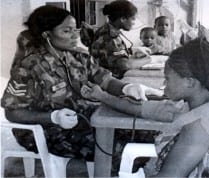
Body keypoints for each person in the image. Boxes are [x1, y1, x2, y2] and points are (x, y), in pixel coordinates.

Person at [1, 5, 163, 163]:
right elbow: (12, 112)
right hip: (46, 129)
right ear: (47, 35)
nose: (74, 36)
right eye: (66, 31)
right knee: (118, 149)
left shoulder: (79, 56)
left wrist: (127, 87)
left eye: (73, 29)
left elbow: (104, 79)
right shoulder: (29, 66)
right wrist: (52, 117)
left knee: (145, 135)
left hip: (84, 118)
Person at [81, 38, 209, 177]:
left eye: (168, 79)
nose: (164, 85)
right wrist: (102, 96)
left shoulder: (200, 124)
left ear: (190, 82)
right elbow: (140, 108)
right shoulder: (190, 105)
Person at [81, 0, 151, 79]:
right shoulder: (110, 37)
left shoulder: (107, 30)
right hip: (111, 80)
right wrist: (150, 60)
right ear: (123, 19)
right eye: (133, 19)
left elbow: (111, 52)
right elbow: (125, 65)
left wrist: (133, 50)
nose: (134, 23)